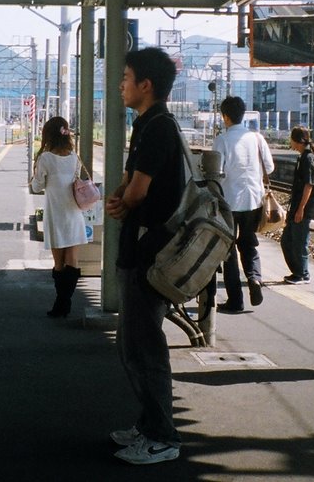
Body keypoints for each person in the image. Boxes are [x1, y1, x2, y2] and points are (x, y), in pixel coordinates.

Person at [104, 47, 184, 466]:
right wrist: (121, 196)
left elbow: (137, 190)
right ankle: (149, 422)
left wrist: (121, 202)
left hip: (150, 253)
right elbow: (129, 181)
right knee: (132, 344)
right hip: (140, 249)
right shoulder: (148, 124)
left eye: (126, 76)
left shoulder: (158, 128)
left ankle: (162, 436)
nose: (120, 84)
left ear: (145, 85)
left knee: (145, 347)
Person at [212, 96, 275, 313]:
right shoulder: (256, 138)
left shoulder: (222, 140)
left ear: (225, 116)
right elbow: (270, 167)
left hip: (229, 201)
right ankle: (255, 279)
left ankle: (235, 301)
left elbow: (216, 171)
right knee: (248, 244)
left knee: (228, 251)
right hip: (254, 200)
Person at [30, 116, 88, 318]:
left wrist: (37, 175)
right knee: (72, 260)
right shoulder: (74, 156)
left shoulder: (45, 158)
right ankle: (64, 302)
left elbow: (36, 187)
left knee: (58, 263)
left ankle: (60, 304)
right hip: (73, 213)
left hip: (56, 213)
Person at [280, 126, 314, 284]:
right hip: (297, 206)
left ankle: (303, 273)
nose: (290, 142)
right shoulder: (303, 157)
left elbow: (308, 185)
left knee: (299, 241)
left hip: (304, 208)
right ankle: (297, 271)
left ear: (296, 140)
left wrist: (301, 209)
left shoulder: (309, 158)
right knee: (288, 240)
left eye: (291, 139)